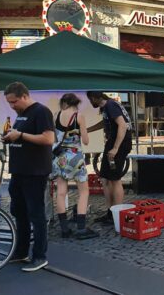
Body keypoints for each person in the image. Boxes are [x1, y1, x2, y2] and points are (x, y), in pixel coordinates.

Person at [2, 82, 55, 271]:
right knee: (19, 212)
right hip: (19, 171)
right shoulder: (21, 115)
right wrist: (10, 137)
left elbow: (49, 139)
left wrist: (21, 135)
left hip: (35, 172)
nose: (12, 106)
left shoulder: (41, 112)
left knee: (36, 214)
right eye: (9, 103)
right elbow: (20, 136)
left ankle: (40, 256)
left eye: (14, 102)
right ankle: (21, 251)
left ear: (24, 96)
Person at [51, 93, 98, 240]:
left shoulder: (56, 115)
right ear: (75, 103)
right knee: (83, 191)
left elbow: (54, 138)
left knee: (61, 192)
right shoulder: (79, 116)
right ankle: (81, 228)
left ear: (64, 103)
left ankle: (64, 229)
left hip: (59, 157)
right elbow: (85, 141)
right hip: (75, 157)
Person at [86, 92, 132, 224]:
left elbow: (122, 125)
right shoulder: (107, 107)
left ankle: (116, 214)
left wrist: (116, 148)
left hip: (119, 144)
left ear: (95, 97)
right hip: (112, 143)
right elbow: (107, 123)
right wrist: (89, 129)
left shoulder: (111, 105)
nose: (90, 102)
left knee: (115, 179)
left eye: (90, 99)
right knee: (105, 178)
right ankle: (110, 212)